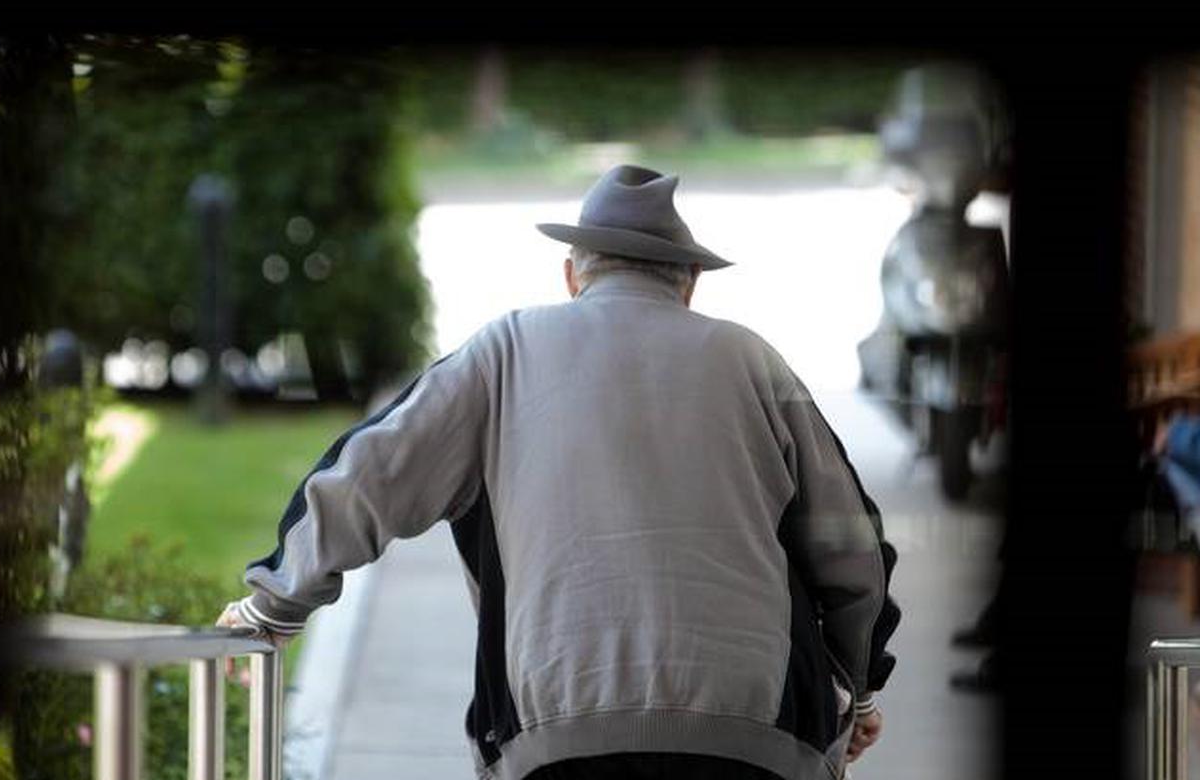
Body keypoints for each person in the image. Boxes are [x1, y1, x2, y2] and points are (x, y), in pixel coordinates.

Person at [216, 165, 902, 780]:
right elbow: (851, 548)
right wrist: (859, 685)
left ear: (573, 276)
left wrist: (274, 604)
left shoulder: (502, 353)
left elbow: (371, 473)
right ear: (688, 286)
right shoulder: (753, 360)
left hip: (553, 733)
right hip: (757, 736)